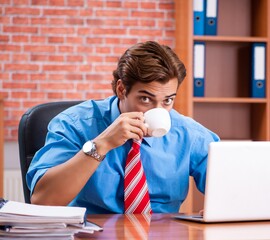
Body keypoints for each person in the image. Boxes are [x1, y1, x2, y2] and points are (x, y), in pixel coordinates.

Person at [27, 41, 219, 214]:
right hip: (91, 235)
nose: (158, 110)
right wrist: (101, 145)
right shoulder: (74, 124)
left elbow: (234, 189)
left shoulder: (189, 134)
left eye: (167, 100)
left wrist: (221, 211)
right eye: (145, 99)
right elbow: (43, 200)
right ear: (121, 89)